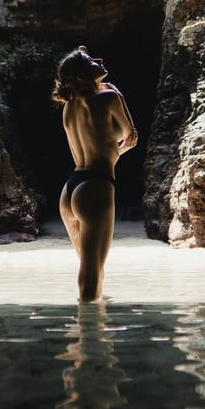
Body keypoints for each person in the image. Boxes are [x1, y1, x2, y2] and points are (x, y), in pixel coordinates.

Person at [52, 46, 138, 302]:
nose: (99, 60)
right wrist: (118, 94)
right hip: (96, 187)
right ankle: (89, 330)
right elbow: (130, 136)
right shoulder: (110, 98)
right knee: (92, 271)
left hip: (71, 188)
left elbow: (95, 146)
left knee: (90, 266)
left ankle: (89, 326)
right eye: (90, 61)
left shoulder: (68, 108)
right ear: (81, 76)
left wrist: (112, 151)